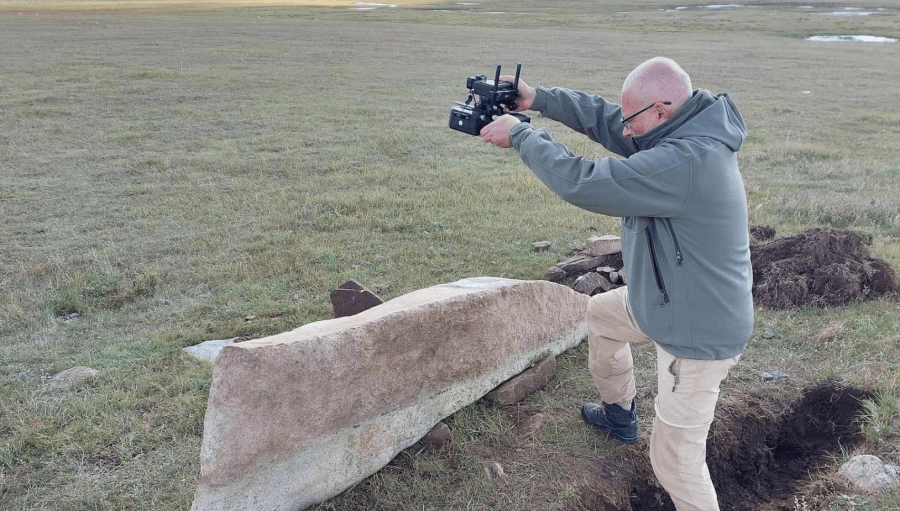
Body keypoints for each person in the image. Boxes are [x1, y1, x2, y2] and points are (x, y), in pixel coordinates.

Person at [479, 57, 754, 511]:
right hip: (665, 300)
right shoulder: (680, 130)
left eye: (634, 121)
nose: (625, 132)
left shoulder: (686, 160)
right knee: (601, 317)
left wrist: (524, 135)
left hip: (698, 332)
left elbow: (588, 183)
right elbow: (613, 121)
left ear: (662, 112)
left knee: (676, 464)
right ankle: (620, 415)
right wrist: (540, 100)